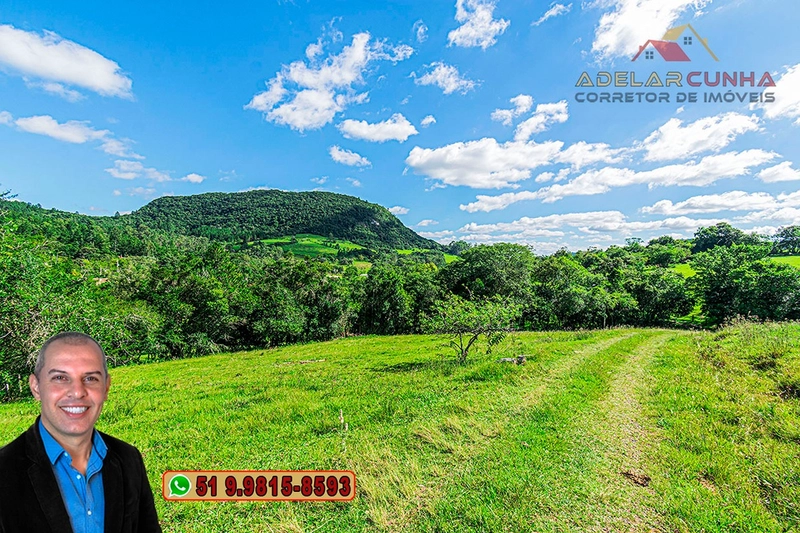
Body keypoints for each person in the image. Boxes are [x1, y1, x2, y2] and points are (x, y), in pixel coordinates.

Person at [0, 332, 162, 533]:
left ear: (106, 387)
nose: (77, 392)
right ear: (36, 387)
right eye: (60, 378)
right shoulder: (4, 470)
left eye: (90, 378)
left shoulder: (129, 459)